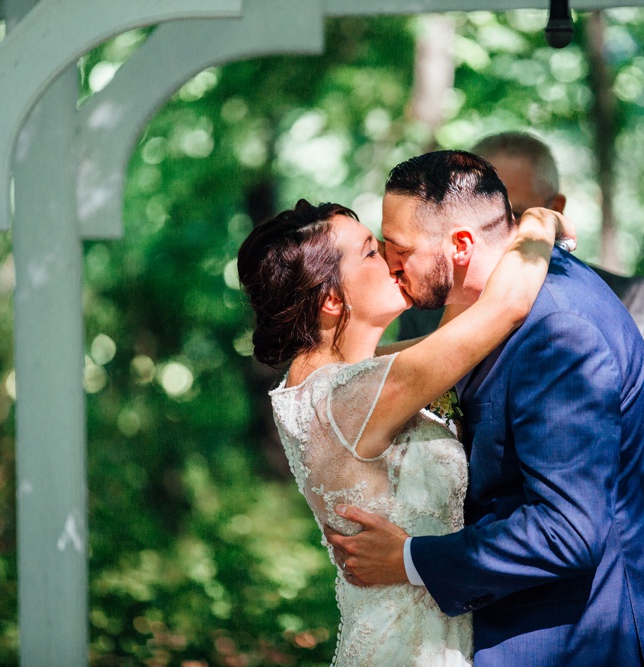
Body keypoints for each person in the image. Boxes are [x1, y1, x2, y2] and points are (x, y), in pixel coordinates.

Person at [327, 151, 644, 666]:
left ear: (461, 245)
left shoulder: (558, 332)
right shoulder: (491, 302)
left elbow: (568, 532)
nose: (392, 264)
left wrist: (409, 559)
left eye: (400, 249)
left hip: (568, 640)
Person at [237, 198, 572, 665]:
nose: (394, 259)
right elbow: (506, 307)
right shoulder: (351, 396)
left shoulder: (316, 386)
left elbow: (454, 341)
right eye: (372, 252)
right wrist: (540, 219)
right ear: (332, 299)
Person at [472, 130, 644, 665]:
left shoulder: (622, 298)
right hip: (481, 583)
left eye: (513, 209)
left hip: (614, 583)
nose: (498, 230)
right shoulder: (435, 308)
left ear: (553, 209)